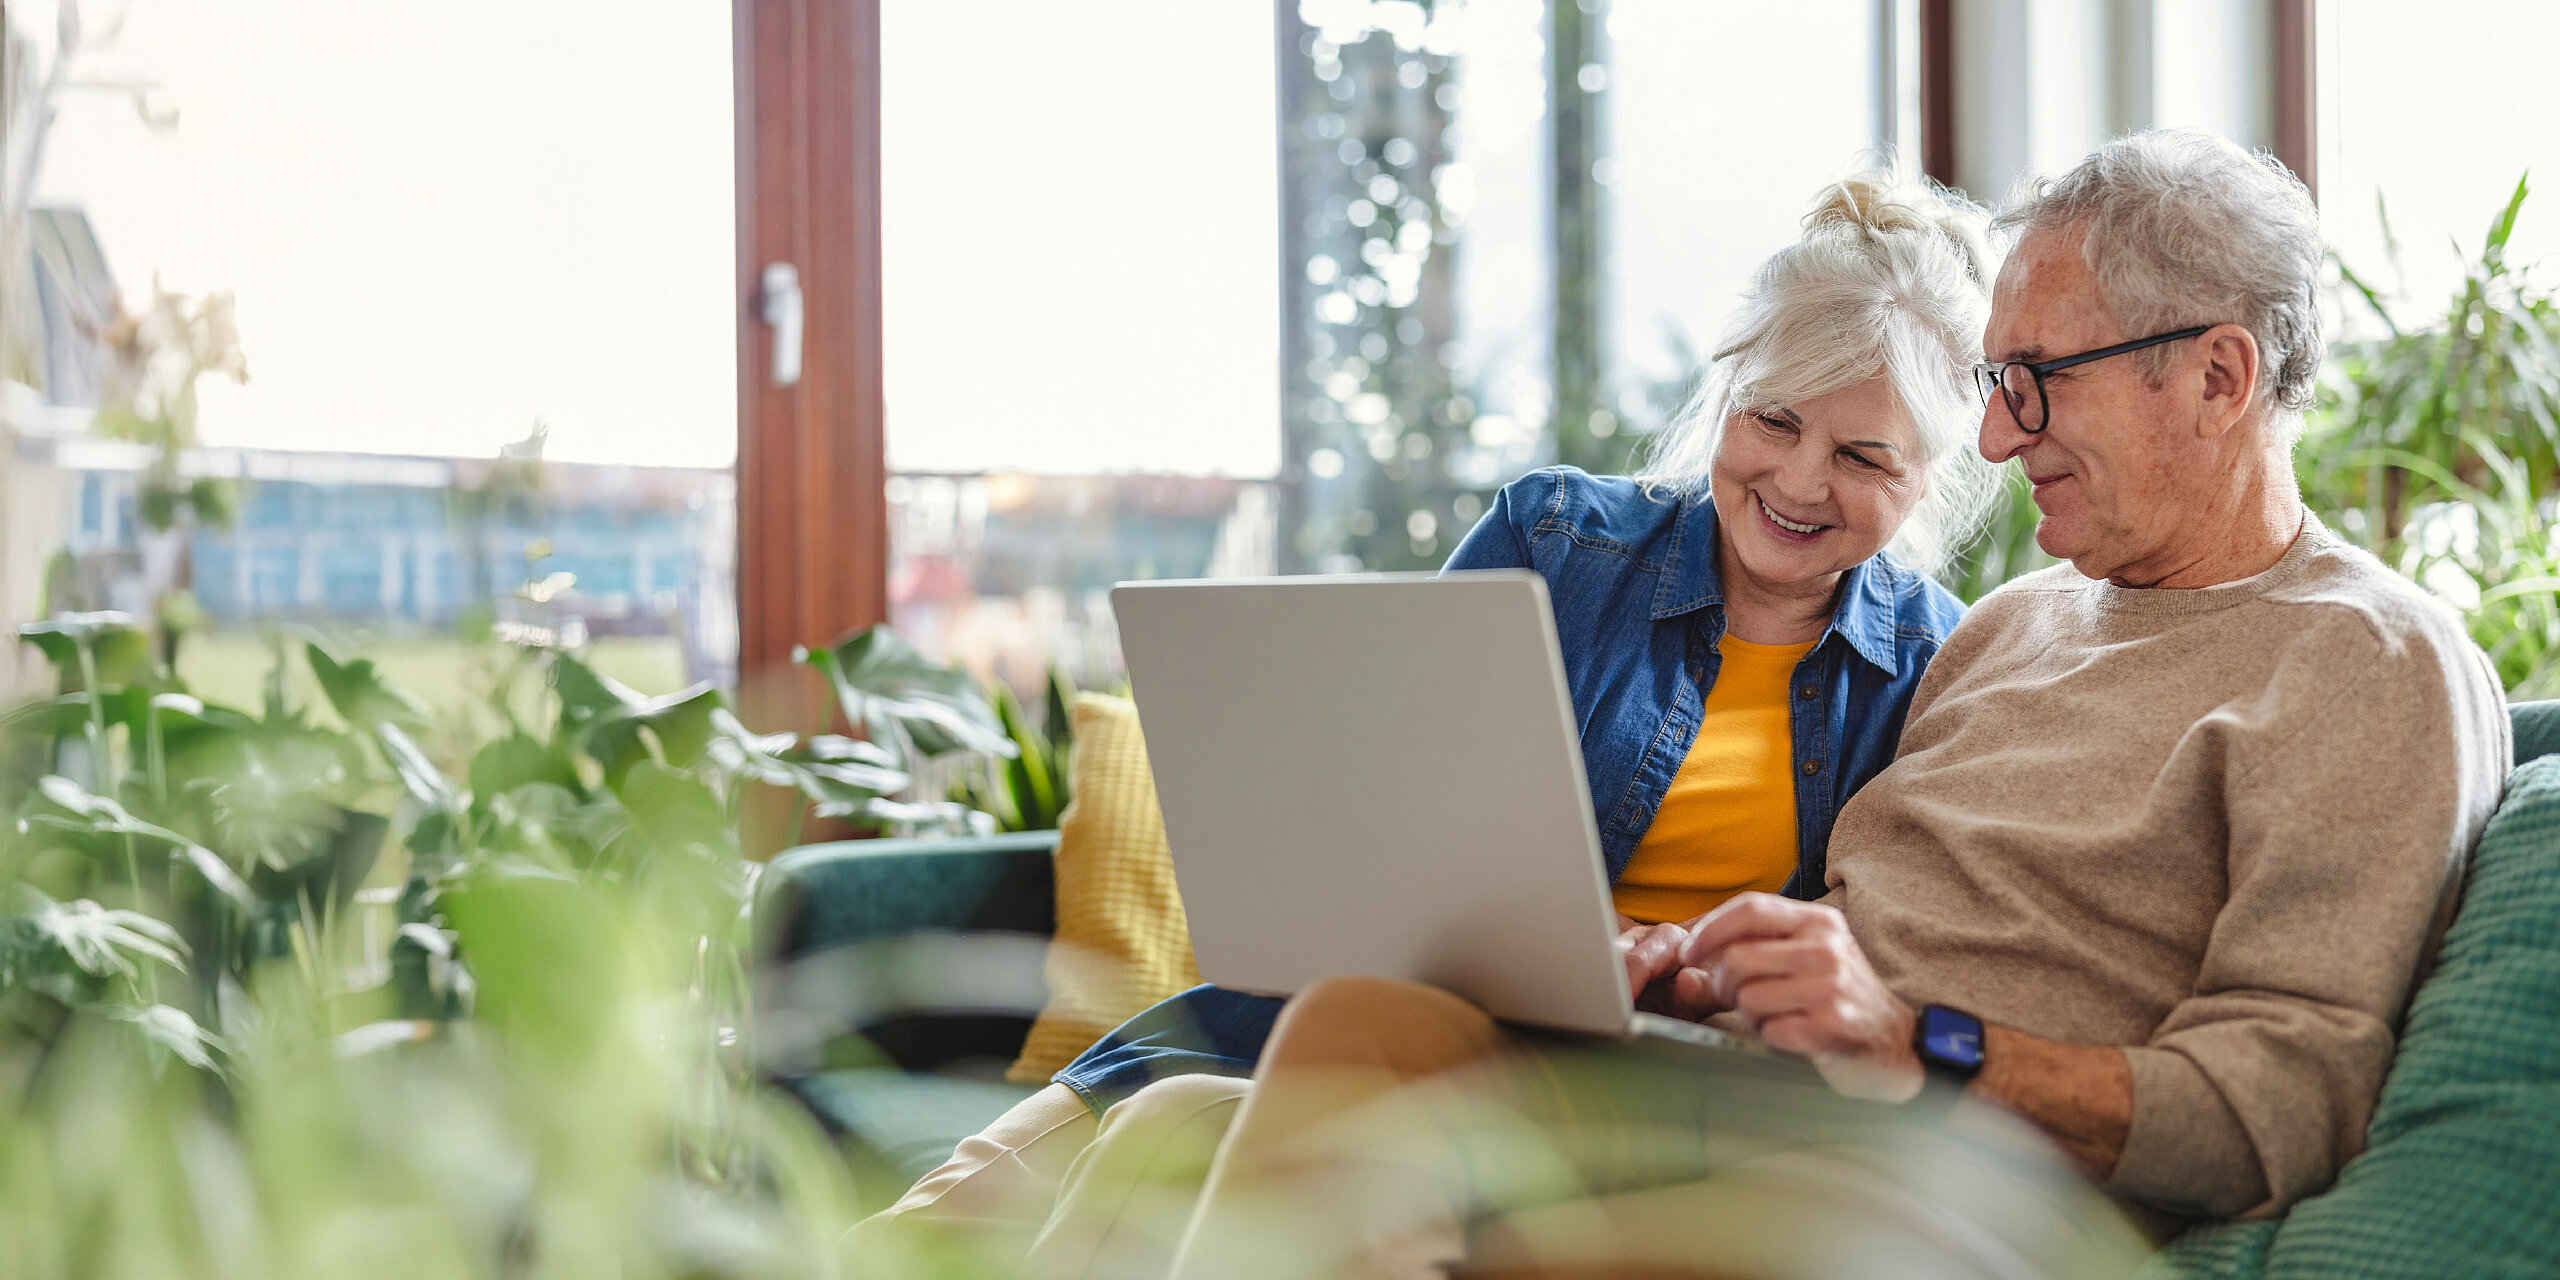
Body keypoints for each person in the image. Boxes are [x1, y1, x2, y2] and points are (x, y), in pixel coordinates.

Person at [1091, 129, 2510, 1278]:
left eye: (2032, 385)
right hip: (1744, 1088)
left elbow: (2280, 1105)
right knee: (1356, 1030)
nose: (2001, 439)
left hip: (1960, 1180)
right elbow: (1866, 914)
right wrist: (1717, 966)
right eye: (1993, 387)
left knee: (1350, 1182)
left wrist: (1920, 1046)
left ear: (2217, 376)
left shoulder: (2369, 660)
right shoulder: (2011, 630)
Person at [850, 172, 2007, 1273]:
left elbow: (1869, 963)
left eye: (1861, 455)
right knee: (928, 1230)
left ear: (1930, 479)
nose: (1799, 479)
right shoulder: (1557, 539)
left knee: (1165, 1136)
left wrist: (1694, 970)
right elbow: (1373, 819)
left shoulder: (1936, 664)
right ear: (1725, 394)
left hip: (1605, 1085)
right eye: (1772, 420)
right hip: (1337, 1014)